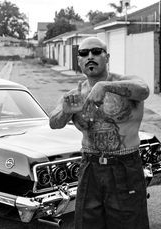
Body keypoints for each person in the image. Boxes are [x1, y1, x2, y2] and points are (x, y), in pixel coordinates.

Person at [49, 37, 150, 229]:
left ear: (107, 57)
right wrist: (67, 111)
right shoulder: (75, 94)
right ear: (79, 61)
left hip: (124, 166)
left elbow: (144, 91)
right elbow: (53, 122)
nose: (90, 57)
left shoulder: (125, 83)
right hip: (90, 168)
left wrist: (104, 86)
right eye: (84, 53)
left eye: (96, 52)